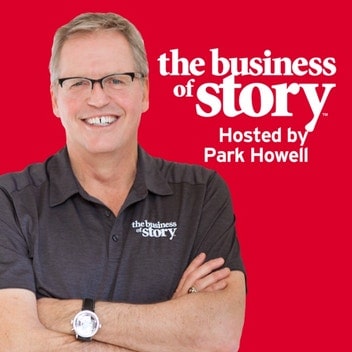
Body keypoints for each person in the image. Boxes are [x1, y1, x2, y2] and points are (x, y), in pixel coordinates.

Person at [0, 12, 246, 352]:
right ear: (55, 99)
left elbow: (218, 336)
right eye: (78, 82)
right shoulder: (9, 202)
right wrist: (169, 331)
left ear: (144, 91)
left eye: (116, 79)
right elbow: (17, 343)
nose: (98, 98)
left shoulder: (201, 194)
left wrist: (67, 314)